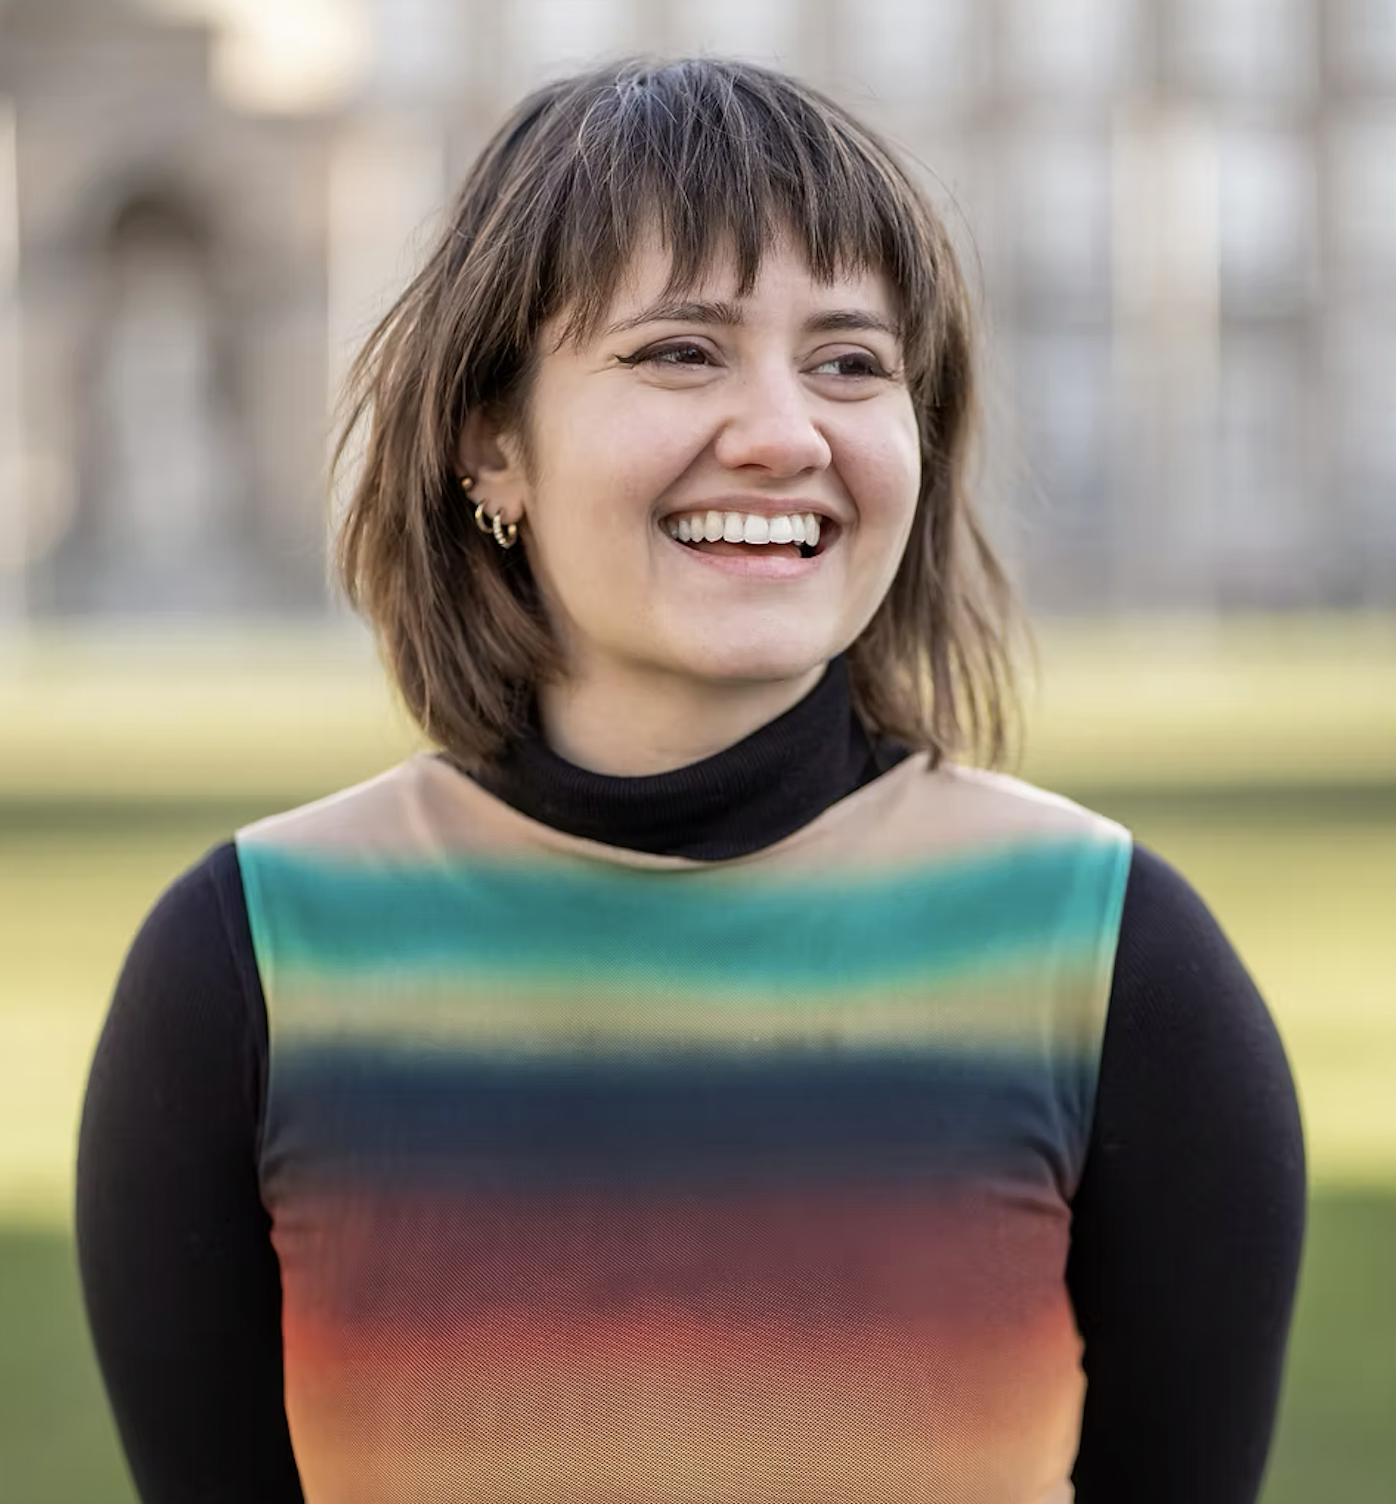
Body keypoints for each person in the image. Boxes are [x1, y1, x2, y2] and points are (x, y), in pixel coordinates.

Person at [77, 56, 1305, 1504]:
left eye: (850, 362)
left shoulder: (1119, 966)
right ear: (491, 442)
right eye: (680, 351)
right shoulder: (246, 972)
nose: (785, 433)